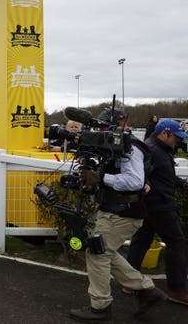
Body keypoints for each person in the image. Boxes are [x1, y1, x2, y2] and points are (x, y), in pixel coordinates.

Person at [69, 113, 166, 322]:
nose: (102, 131)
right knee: (107, 253)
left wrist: (101, 177)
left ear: (121, 124)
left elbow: (134, 181)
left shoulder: (129, 147)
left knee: (97, 254)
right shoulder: (115, 146)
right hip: (115, 210)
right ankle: (147, 291)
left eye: (106, 127)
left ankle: (100, 307)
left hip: (123, 212)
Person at [127, 119, 188, 305]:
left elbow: (162, 175)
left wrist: (181, 183)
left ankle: (129, 282)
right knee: (176, 243)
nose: (177, 142)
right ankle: (177, 289)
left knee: (142, 240)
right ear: (165, 134)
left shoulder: (153, 148)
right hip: (160, 205)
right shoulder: (154, 151)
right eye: (176, 138)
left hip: (149, 204)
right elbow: (145, 178)